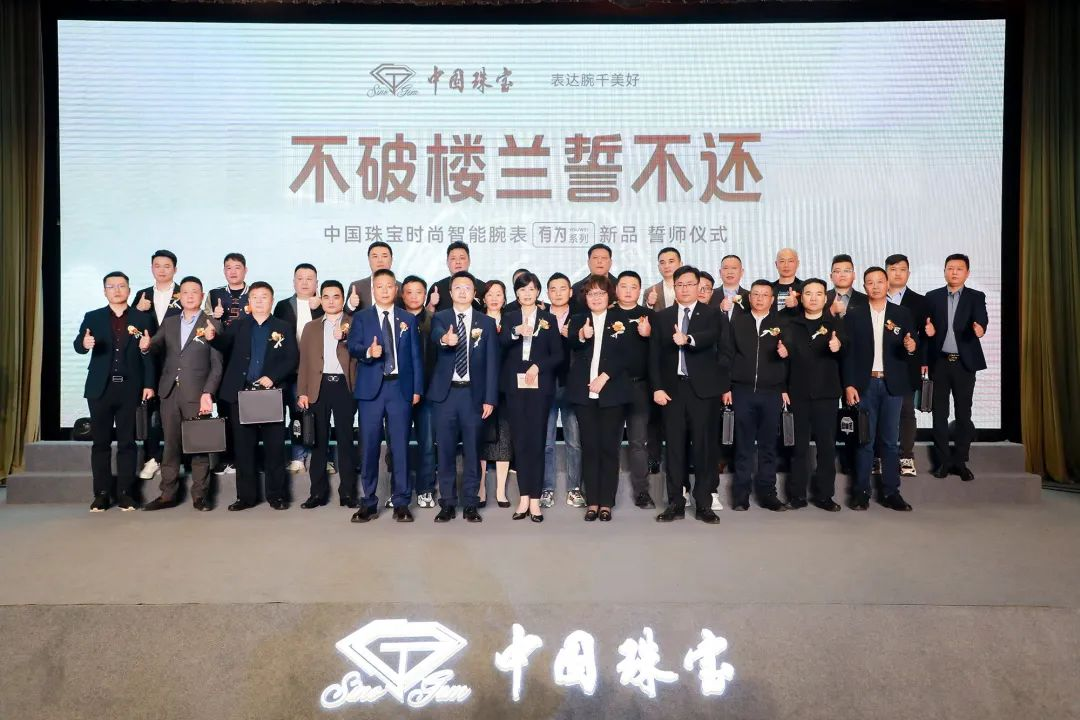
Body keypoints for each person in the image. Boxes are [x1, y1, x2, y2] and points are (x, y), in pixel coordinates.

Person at [205, 281, 298, 510]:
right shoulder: (238, 325)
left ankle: (277, 496)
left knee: (275, 448)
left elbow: (292, 358)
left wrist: (272, 377)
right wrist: (212, 337)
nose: (259, 301)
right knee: (244, 449)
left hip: (270, 394)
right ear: (249, 301)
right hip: (241, 394)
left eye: (264, 297)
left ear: (272, 300)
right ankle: (245, 497)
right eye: (254, 297)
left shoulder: (283, 327)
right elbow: (223, 345)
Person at [650, 266, 728, 523]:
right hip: (672, 392)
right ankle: (675, 503)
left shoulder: (713, 315)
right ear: (674, 287)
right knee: (674, 448)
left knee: (704, 449)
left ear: (698, 286)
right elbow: (654, 357)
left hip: (703, 392)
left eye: (689, 284)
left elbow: (716, 341)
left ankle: (703, 503)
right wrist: (657, 388)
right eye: (679, 284)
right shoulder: (662, 317)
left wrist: (689, 339)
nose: (684, 289)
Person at [74, 271, 156, 511]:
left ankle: (125, 493)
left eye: (121, 286)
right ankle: (101, 494)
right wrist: (84, 344)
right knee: (100, 443)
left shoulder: (142, 318)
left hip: (130, 387)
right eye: (111, 286)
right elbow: (79, 344)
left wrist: (148, 383)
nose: (117, 290)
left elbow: (150, 355)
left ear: (129, 290)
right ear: (104, 291)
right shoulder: (93, 317)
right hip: (100, 388)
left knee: (127, 443)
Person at [139, 275, 222, 511]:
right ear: (179, 296)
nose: (189, 296)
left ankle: (200, 496)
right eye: (185, 292)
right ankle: (167, 494)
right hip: (169, 392)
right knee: (171, 445)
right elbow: (154, 346)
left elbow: (217, 365)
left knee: (199, 446)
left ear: (202, 295)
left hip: (197, 394)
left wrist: (208, 392)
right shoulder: (170, 322)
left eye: (194, 292)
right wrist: (145, 346)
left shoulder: (212, 324)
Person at [347, 269, 423, 522]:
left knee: (400, 447)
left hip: (400, 389)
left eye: (389, 286)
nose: (385, 291)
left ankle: (401, 502)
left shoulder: (407, 319)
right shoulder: (362, 317)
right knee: (369, 447)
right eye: (379, 287)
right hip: (370, 391)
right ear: (373, 290)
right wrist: (369, 352)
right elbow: (353, 346)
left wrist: (416, 389)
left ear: (396, 289)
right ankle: (368, 502)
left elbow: (415, 356)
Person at [841, 267, 918, 511]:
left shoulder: (901, 313)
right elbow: (847, 354)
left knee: (890, 442)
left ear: (887, 284)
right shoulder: (854, 314)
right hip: (864, 386)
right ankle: (860, 493)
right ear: (864, 286)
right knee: (864, 440)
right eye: (870, 282)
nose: (875, 286)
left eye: (880, 281)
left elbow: (912, 345)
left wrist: (911, 346)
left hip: (892, 386)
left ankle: (891, 493)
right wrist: (849, 384)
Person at [428, 272, 500, 523]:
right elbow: (436, 335)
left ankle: (470, 503)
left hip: (473, 395)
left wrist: (490, 398)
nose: (462, 291)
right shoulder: (440, 317)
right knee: (445, 451)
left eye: (467, 287)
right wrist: (445, 339)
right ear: (450, 293)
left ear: (474, 293)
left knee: (473, 451)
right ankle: (447, 503)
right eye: (457, 287)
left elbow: (492, 363)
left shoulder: (486, 323)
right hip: (446, 395)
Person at [566, 275, 631, 521]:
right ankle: (592, 501)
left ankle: (607, 502)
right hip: (584, 394)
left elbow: (627, 355)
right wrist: (583, 335)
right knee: (590, 447)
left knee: (609, 448)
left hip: (612, 392)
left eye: (600, 293)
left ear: (608, 296)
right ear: (585, 297)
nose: (596, 297)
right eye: (591, 293)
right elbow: (572, 343)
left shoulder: (620, 319)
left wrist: (605, 376)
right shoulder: (578, 319)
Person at [499, 272, 563, 522]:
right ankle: (523, 497)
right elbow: (500, 344)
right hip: (514, 388)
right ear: (516, 294)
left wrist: (538, 366)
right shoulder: (509, 318)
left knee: (537, 442)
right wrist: (515, 331)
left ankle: (535, 500)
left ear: (538, 292)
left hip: (539, 387)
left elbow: (558, 355)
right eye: (522, 290)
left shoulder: (549, 319)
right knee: (520, 442)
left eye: (531, 289)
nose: (527, 294)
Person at [723, 280, 789, 511]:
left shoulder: (781, 323)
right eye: (756, 294)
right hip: (742, 391)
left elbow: (791, 359)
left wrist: (784, 385)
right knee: (743, 445)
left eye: (765, 295)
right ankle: (741, 495)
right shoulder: (738, 321)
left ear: (772, 299)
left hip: (772, 392)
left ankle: (768, 494)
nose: (760, 299)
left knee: (768, 446)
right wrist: (726, 387)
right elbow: (728, 355)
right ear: (749, 297)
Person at [781, 278, 844, 511]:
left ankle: (825, 495)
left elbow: (847, 351)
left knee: (826, 447)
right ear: (801, 297)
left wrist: (839, 347)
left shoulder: (835, 323)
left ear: (826, 298)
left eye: (819, 293)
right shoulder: (791, 324)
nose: (814, 298)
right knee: (798, 447)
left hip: (827, 394)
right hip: (797, 394)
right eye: (808, 293)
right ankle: (797, 495)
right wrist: (783, 388)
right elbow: (783, 360)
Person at [924, 254, 988, 482]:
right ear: (944, 271)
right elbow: (926, 329)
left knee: (963, 414)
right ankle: (943, 461)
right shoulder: (932, 297)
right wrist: (928, 333)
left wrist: (980, 329)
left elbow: (982, 321)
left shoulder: (976, 297)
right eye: (950, 268)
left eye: (959, 269)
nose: (954, 272)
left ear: (967, 273)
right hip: (939, 363)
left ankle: (960, 461)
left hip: (964, 364)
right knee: (939, 414)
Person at [296, 280, 359, 509]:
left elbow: (361, 354)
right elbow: (304, 362)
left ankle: (348, 493)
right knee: (318, 442)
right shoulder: (311, 327)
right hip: (318, 386)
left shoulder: (355, 323)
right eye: (326, 296)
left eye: (336, 296)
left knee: (346, 440)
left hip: (344, 386)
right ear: (320, 300)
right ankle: (317, 493)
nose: (331, 301)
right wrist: (302, 391)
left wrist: (346, 337)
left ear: (343, 300)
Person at [133, 249, 182, 481]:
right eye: (157, 265)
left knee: (178, 411)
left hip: (178, 361)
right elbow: (132, 327)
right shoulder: (142, 295)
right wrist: (137, 311)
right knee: (151, 411)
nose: (161, 270)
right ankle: (152, 458)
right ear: (151, 268)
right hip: (149, 361)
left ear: (175, 269)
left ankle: (178, 457)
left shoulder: (185, 292)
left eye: (167, 266)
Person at [274, 263, 326, 474]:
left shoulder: (325, 304)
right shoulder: (283, 306)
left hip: (317, 371)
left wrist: (319, 307)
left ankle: (320, 457)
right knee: (296, 414)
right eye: (300, 278)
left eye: (309, 279)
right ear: (293, 282)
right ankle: (297, 457)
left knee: (318, 415)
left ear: (316, 283)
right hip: (292, 371)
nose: (304, 283)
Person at [204, 252, 251, 474]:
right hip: (221, 357)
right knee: (224, 409)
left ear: (245, 270)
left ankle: (246, 458)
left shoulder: (254, 293)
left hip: (248, 358)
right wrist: (214, 316)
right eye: (228, 267)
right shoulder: (214, 294)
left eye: (237, 267)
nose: (232, 271)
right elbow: (204, 324)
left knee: (248, 411)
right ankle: (226, 457)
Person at [614, 270, 656, 508]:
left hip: (640, 387)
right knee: (609, 442)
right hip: (611, 388)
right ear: (616, 289)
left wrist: (649, 335)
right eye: (624, 286)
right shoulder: (607, 314)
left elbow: (660, 353)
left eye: (633, 287)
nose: (628, 291)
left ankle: (642, 492)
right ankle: (606, 493)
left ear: (640, 290)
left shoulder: (649, 316)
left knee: (638, 442)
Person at [885, 253, 929, 478]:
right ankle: (880, 456)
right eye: (893, 269)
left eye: (902, 269)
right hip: (879, 366)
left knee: (906, 411)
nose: (897, 274)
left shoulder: (920, 301)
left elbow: (925, 338)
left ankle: (906, 456)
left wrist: (923, 359)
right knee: (879, 413)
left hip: (907, 364)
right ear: (886, 272)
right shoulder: (874, 297)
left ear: (908, 273)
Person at [542, 272, 583, 508]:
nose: (558, 293)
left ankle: (574, 488)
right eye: (553, 289)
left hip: (572, 385)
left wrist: (573, 337)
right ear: (547, 293)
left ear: (570, 292)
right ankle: (546, 488)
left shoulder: (580, 317)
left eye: (562, 288)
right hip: (546, 386)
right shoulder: (540, 317)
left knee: (574, 441)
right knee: (546, 442)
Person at [400, 275, 438, 508]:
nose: (414, 297)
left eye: (419, 292)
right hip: (399, 393)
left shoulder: (436, 320)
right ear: (402, 295)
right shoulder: (393, 319)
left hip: (428, 393)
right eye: (409, 292)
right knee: (398, 445)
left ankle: (425, 490)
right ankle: (398, 490)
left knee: (427, 444)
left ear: (425, 295)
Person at [478, 280, 513, 508]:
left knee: (505, 439)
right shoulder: (477, 321)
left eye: (498, 294)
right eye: (490, 294)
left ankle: (501, 491)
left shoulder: (512, 321)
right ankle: (480, 489)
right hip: (481, 389)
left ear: (504, 298)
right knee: (481, 439)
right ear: (483, 298)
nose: (494, 298)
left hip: (507, 388)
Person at [425, 241, 484, 313]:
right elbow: (426, 317)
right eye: (453, 258)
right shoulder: (437, 288)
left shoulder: (482, 287)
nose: (458, 262)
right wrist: (432, 304)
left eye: (462, 258)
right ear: (447, 262)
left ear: (469, 261)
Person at [346, 240, 396, 313]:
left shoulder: (401, 287)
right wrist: (351, 304)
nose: (380, 260)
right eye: (375, 256)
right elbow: (345, 314)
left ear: (391, 260)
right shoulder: (357, 287)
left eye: (384, 256)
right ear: (369, 260)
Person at [570, 243, 617, 314]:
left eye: (604, 258)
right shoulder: (577, 288)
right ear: (588, 262)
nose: (599, 261)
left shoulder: (619, 286)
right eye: (595, 258)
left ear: (610, 262)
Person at [825, 254, 868, 318]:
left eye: (847, 271)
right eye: (837, 271)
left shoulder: (866, 300)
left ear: (854, 275)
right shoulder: (822, 298)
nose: (842, 275)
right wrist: (831, 311)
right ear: (831, 276)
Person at [644, 246, 682, 311]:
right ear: (658, 267)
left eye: (671, 261)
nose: (666, 266)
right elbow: (642, 315)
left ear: (680, 264)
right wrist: (649, 305)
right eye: (662, 263)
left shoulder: (690, 288)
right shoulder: (649, 291)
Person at [770, 247, 803, 312]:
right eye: (782, 261)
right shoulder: (768, 288)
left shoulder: (805, 287)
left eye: (790, 261)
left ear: (797, 263)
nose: (786, 265)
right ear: (776, 264)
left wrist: (797, 305)